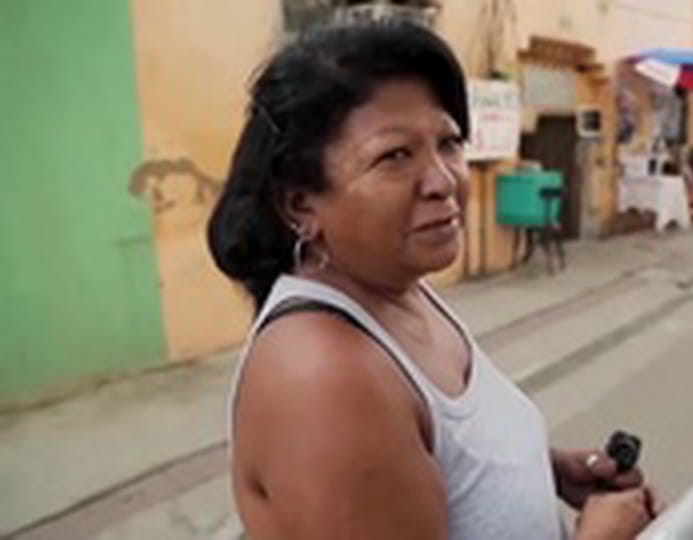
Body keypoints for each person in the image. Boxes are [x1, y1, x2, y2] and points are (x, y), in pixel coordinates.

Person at [207, 20, 661, 540]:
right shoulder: (324, 377)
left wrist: (539, 470)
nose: (445, 181)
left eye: (448, 143)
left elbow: (435, 456)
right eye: (395, 156)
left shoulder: (399, 290)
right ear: (300, 204)